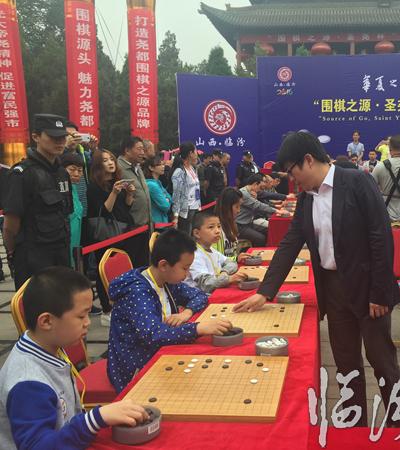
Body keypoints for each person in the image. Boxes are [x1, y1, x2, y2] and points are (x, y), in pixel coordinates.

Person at [234, 131, 400, 428]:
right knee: (346, 366)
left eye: (292, 172)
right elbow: (290, 243)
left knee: (382, 363)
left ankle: (397, 425)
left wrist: (379, 293)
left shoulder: (357, 182)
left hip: (368, 288)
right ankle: (354, 429)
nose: (292, 180)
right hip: (334, 290)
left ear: (309, 160)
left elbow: (381, 239)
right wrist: (265, 292)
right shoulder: (306, 199)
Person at [0, 267, 148, 450]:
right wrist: (95, 419)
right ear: (46, 321)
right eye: (81, 316)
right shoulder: (28, 383)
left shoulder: (49, 347)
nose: (88, 322)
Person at [107, 229, 232, 393]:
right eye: (185, 268)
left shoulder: (165, 279)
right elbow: (153, 335)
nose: (187, 274)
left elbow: (199, 296)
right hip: (135, 365)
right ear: (164, 265)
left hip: (160, 349)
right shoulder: (138, 293)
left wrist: (187, 313)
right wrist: (197, 328)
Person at [3, 114, 73, 290]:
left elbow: (66, 213)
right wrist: (12, 253)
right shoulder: (22, 174)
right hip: (33, 257)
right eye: (53, 137)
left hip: (61, 253)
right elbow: (10, 225)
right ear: (36, 137)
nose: (60, 141)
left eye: (63, 137)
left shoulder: (62, 173)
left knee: (62, 301)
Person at [87, 149, 135, 326]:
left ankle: (122, 304)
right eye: (105, 160)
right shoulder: (94, 187)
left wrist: (129, 194)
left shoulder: (116, 182)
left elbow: (125, 208)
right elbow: (105, 210)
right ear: (98, 165)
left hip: (123, 230)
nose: (110, 163)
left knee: (121, 268)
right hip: (105, 234)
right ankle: (107, 309)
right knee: (104, 271)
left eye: (111, 159)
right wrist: (114, 193)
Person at [186, 212, 247, 294]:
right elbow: (206, 284)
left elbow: (231, 262)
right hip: (202, 296)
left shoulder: (211, 249)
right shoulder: (194, 255)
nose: (218, 231)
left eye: (219, 226)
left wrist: (224, 272)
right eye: (211, 227)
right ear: (197, 233)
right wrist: (229, 279)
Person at [236, 174, 290, 247]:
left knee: (271, 229)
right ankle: (256, 252)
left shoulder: (252, 192)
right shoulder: (244, 193)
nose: (261, 190)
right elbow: (258, 205)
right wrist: (277, 211)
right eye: (260, 187)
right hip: (240, 225)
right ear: (255, 184)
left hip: (249, 222)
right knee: (260, 238)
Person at [117, 136, 151, 228]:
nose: (142, 153)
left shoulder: (137, 167)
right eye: (139, 149)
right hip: (131, 226)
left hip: (146, 224)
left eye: (143, 149)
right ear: (127, 151)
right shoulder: (118, 168)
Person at [171, 142, 201, 235]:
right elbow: (177, 194)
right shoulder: (180, 171)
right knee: (186, 238)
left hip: (195, 208)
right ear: (190, 153)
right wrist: (175, 216)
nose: (197, 155)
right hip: (186, 211)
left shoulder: (192, 168)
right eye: (195, 152)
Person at [214, 187, 252, 262]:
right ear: (226, 206)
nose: (239, 210)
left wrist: (237, 257)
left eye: (240, 206)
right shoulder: (215, 229)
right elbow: (216, 259)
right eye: (236, 207)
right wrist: (236, 259)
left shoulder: (231, 223)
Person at [61, 153, 85, 268]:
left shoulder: (74, 188)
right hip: (64, 245)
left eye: (80, 170)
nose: (76, 174)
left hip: (75, 242)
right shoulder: (60, 191)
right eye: (72, 169)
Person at [142, 155, 172, 224]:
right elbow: (166, 206)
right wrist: (166, 199)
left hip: (162, 220)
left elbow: (170, 198)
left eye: (163, 164)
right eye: (159, 164)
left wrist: (167, 199)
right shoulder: (152, 185)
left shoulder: (158, 182)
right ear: (151, 167)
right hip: (157, 222)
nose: (163, 166)